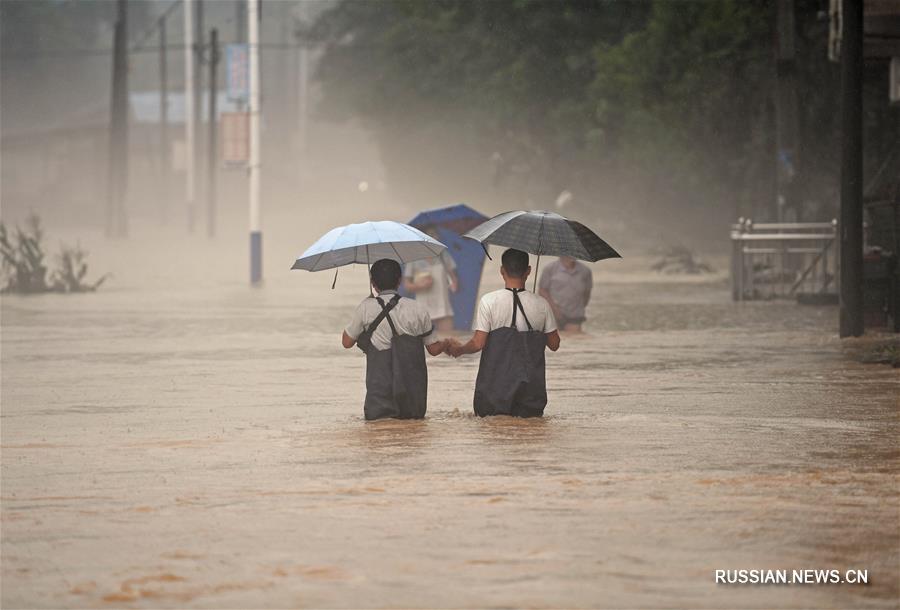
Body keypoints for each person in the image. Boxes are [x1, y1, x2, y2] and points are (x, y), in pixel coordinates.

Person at [448, 249, 561, 417]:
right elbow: (554, 344)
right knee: (530, 428)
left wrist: (459, 349)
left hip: (495, 391)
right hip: (531, 392)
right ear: (528, 271)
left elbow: (478, 343)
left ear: (502, 270)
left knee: (497, 428)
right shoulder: (542, 304)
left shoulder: (489, 301)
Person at [342, 259, 449, 420]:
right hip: (413, 394)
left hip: (379, 393)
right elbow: (433, 349)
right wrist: (447, 344)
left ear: (373, 283)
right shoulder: (418, 308)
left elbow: (347, 342)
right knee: (413, 429)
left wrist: (365, 305)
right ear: (399, 281)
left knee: (380, 429)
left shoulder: (365, 308)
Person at [403, 226, 459, 332]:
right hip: (423, 307)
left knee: (447, 337)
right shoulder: (413, 258)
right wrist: (420, 285)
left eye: (435, 234)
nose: (433, 237)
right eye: (430, 234)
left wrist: (453, 285)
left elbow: (453, 278)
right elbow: (407, 286)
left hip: (443, 306)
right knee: (424, 339)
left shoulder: (443, 254)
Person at [538, 255, 593, 333]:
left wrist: (578, 308)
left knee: (574, 338)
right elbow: (542, 291)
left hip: (575, 316)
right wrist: (555, 310)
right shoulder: (550, 269)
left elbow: (587, 293)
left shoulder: (585, 271)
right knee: (556, 338)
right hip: (553, 315)